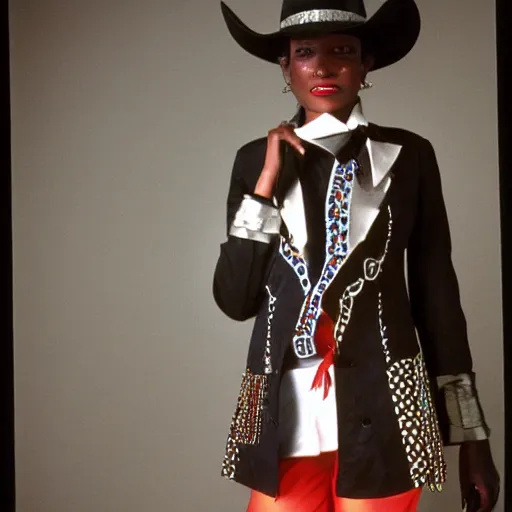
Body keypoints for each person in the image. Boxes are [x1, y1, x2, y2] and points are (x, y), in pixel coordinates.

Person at [213, 0, 500, 510]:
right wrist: (263, 189)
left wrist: (472, 438)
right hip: (281, 408)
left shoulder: (411, 155)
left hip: (388, 402)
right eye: (305, 53)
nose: (323, 67)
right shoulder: (253, 161)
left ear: (366, 64)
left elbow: (439, 300)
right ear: (286, 66)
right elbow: (235, 299)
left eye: (342, 51)